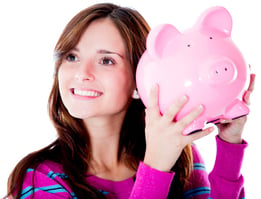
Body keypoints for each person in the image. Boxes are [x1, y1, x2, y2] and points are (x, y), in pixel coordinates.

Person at [7, 3, 255, 199]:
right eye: (71, 57)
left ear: (141, 79)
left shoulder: (181, 159)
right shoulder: (42, 178)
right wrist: (156, 168)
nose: (82, 73)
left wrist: (229, 143)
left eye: (106, 61)